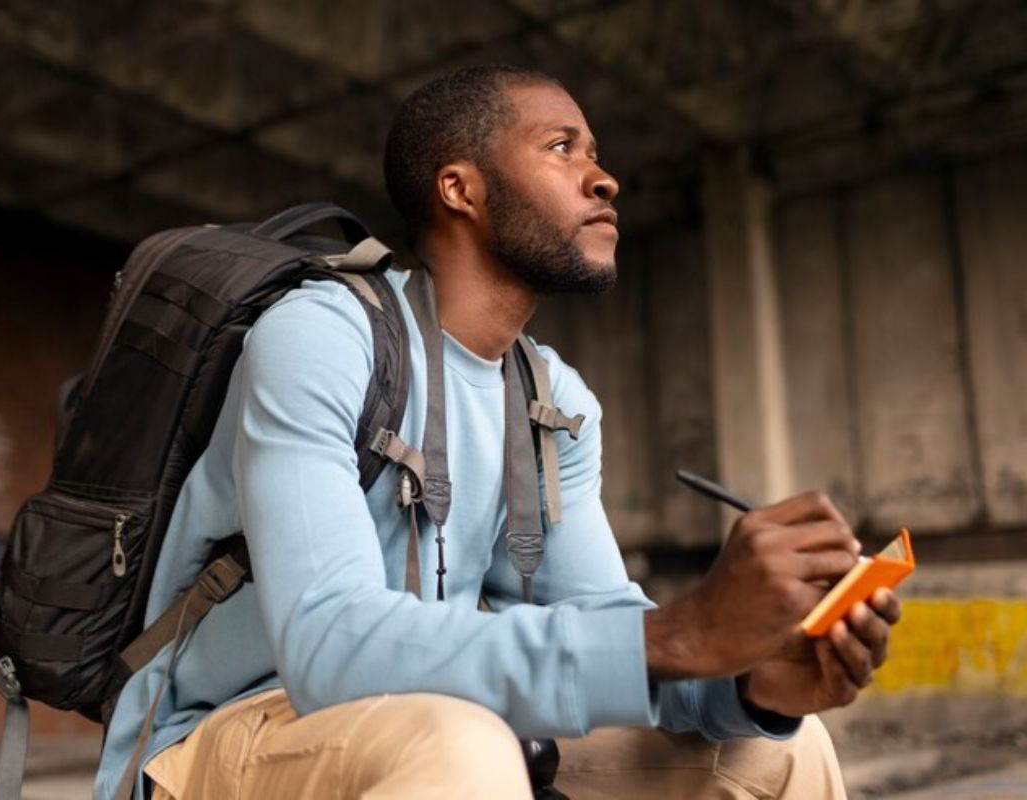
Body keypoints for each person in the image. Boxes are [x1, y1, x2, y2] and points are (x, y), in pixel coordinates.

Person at [94, 64, 901, 800]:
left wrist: (748, 679)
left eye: (596, 154)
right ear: (460, 189)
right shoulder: (319, 336)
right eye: (563, 148)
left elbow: (609, 627)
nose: (605, 178)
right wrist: (684, 630)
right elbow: (327, 646)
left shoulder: (552, 399)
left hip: (432, 721)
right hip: (225, 735)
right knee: (463, 744)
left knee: (784, 752)